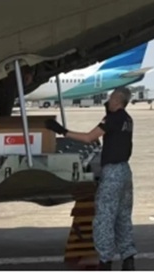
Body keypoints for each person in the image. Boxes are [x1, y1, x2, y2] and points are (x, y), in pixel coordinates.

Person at [47, 87, 136, 271]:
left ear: (117, 100)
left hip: (112, 173)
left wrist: (62, 131)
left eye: (111, 98)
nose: (108, 100)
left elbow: (89, 137)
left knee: (104, 218)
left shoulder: (112, 119)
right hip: (125, 172)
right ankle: (128, 259)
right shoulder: (127, 119)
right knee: (122, 218)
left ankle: (105, 262)